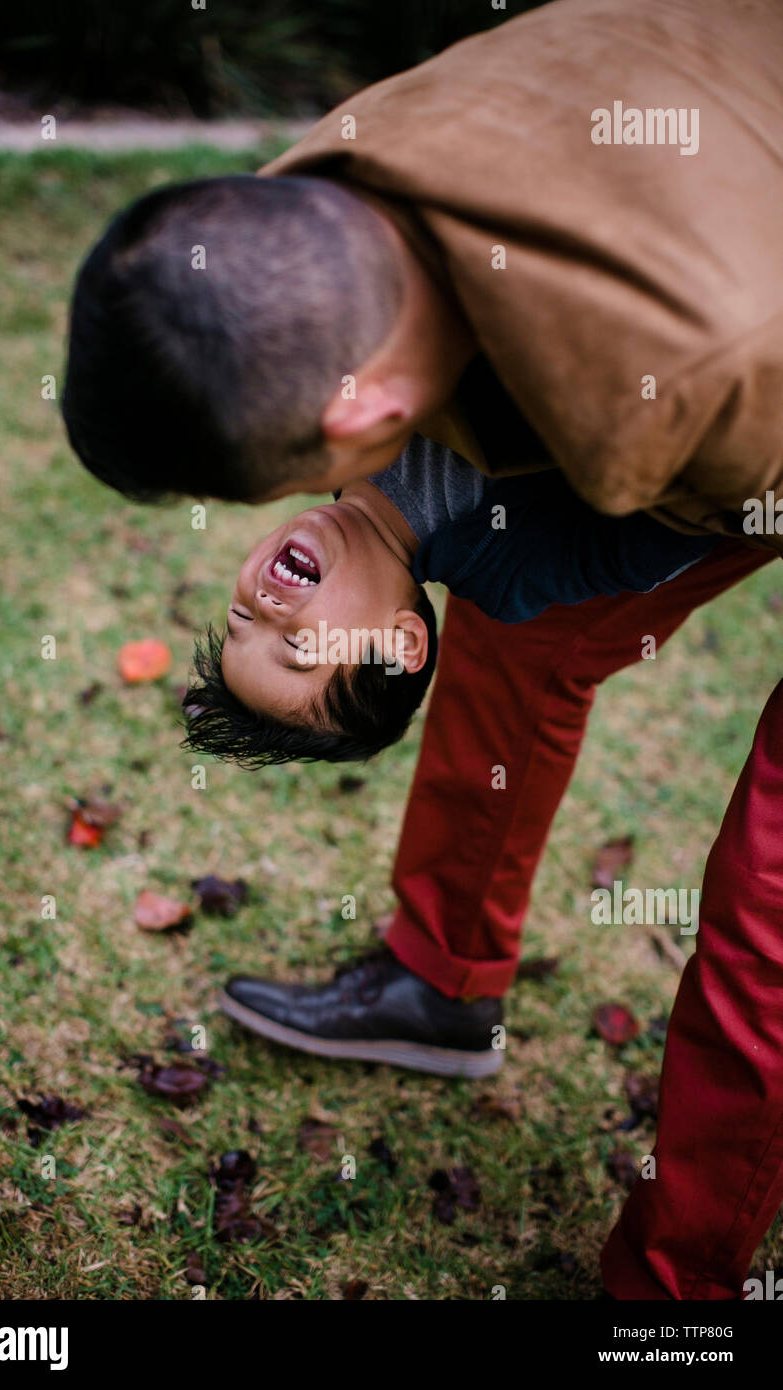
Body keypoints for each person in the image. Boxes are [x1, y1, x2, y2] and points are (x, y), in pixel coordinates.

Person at [62, 0, 783, 1299]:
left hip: (749, 372)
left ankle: (674, 1297)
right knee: (520, 627)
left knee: (769, 897)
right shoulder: (323, 209)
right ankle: (440, 981)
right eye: (286, 652)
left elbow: (692, 495)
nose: (261, 602)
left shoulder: (690, 373)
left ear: (367, 412)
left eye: (275, 473)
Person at [183, 434, 716, 767]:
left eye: (241, 616)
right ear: (399, 642)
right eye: (299, 646)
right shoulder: (512, 566)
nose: (265, 606)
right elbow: (657, 540)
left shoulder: (321, 432)